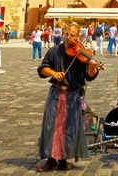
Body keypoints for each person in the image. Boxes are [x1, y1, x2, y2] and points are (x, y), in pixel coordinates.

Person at [37, 23, 100, 172]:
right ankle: (51, 160)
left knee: (69, 127)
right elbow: (42, 68)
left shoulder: (82, 54)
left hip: (72, 95)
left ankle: (64, 160)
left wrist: (92, 66)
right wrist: (53, 73)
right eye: (67, 34)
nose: (69, 38)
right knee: (51, 126)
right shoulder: (54, 51)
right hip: (56, 93)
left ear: (78, 36)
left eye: (73, 35)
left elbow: (90, 76)